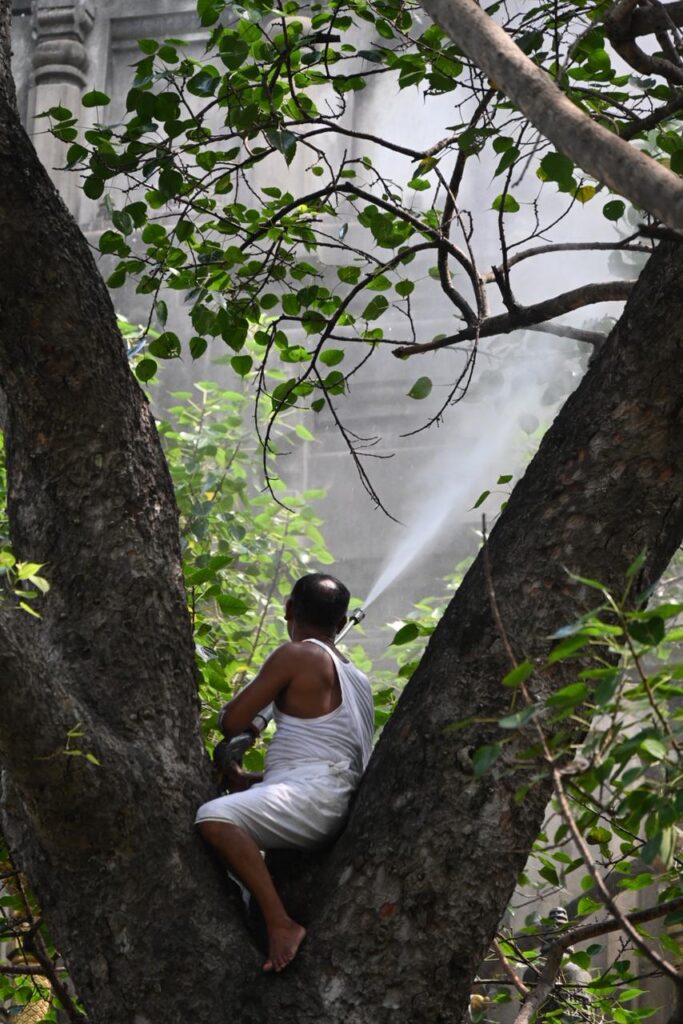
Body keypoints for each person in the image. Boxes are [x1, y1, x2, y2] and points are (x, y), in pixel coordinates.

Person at [196, 573, 374, 973]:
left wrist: (249, 722)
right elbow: (325, 761)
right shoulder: (359, 681)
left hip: (317, 799)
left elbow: (231, 722)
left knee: (214, 817)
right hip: (326, 800)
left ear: (289, 609)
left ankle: (281, 923)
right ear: (340, 623)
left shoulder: (297, 656)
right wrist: (250, 781)